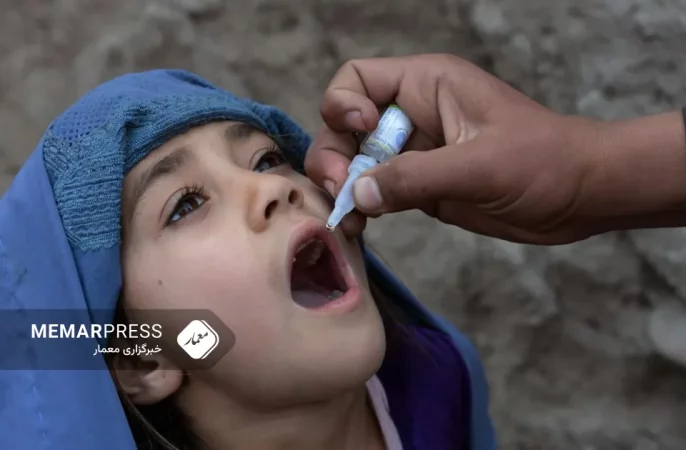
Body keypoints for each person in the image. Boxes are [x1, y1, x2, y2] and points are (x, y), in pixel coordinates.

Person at [0, 70, 495, 449]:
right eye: (186, 205)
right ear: (143, 357)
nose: (272, 187)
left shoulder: (440, 381)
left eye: (267, 159)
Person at [304, 53, 686, 367]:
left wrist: (584, 176)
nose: (279, 191)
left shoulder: (446, 378)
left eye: (273, 162)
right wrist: (584, 177)